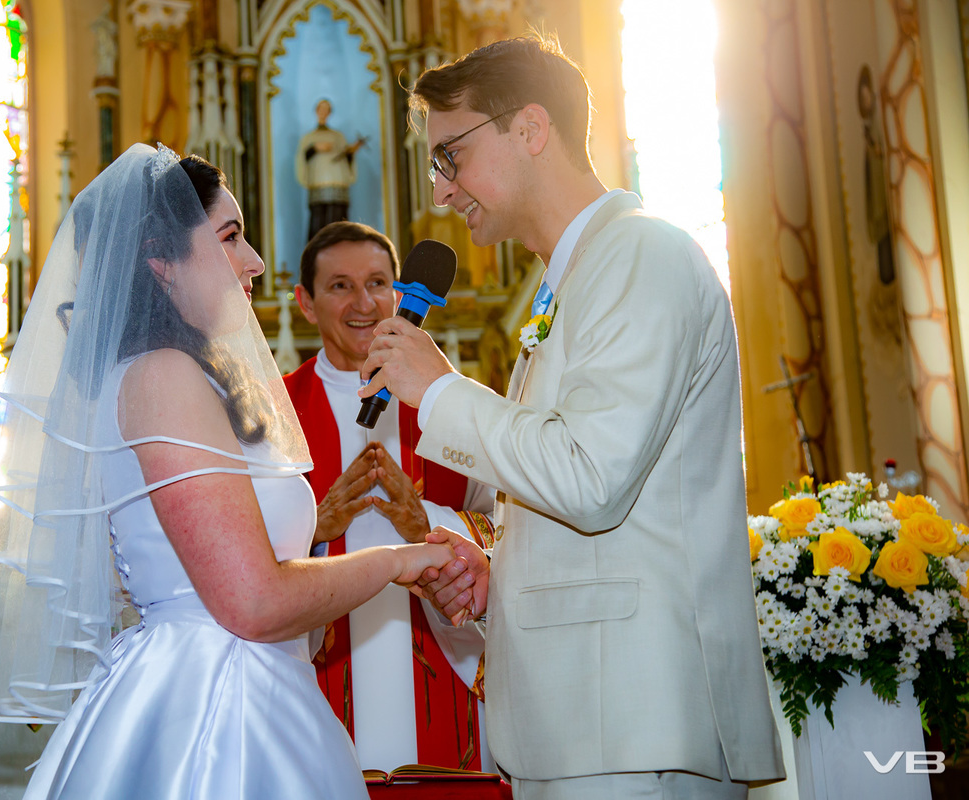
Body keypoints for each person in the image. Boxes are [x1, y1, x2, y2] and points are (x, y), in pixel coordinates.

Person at [0, 144, 454, 800]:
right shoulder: (162, 376)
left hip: (250, 679)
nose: (256, 261)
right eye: (231, 237)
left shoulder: (181, 376)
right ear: (161, 260)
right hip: (212, 708)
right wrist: (398, 560)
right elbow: (252, 602)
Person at [359, 34, 785, 799]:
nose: (441, 193)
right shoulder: (576, 280)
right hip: (584, 722)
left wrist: (443, 391)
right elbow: (589, 493)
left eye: (451, 156)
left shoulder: (642, 256)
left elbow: (590, 478)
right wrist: (500, 579)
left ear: (530, 128)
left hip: (634, 727)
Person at [282, 221, 496, 773]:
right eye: (340, 286)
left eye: (378, 283)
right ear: (305, 303)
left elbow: (510, 528)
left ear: (399, 293)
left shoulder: (451, 404)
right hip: (318, 671)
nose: (364, 303)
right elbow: (236, 552)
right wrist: (313, 526)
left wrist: (427, 521)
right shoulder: (274, 414)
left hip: (440, 666)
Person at [295, 99, 365, 241]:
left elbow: (345, 157)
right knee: (318, 224)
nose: (323, 112)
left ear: (330, 112)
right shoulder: (309, 138)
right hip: (318, 184)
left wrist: (351, 151)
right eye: (321, 109)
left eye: (326, 109)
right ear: (316, 111)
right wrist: (315, 148)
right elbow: (302, 158)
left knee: (338, 223)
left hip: (337, 182)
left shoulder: (338, 136)